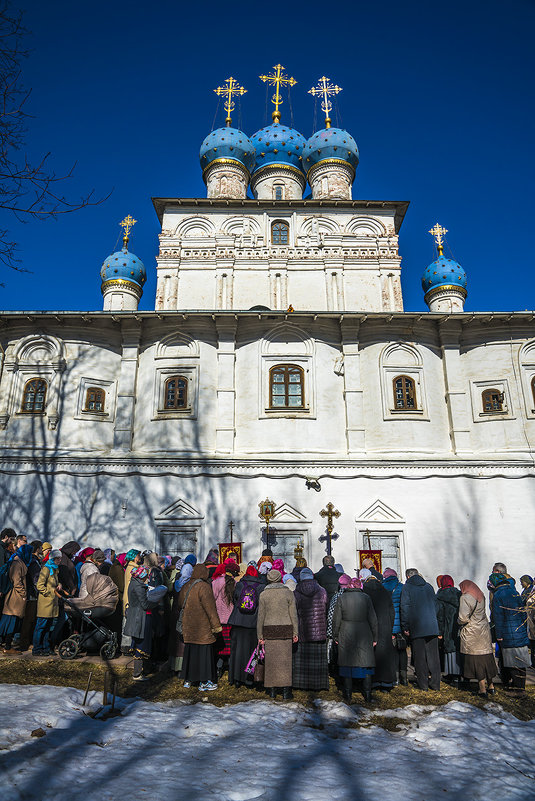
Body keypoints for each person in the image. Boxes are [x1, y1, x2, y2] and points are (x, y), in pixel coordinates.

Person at [332, 574, 378, 703]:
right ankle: (368, 695)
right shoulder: (366, 598)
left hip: (346, 631)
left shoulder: (342, 598)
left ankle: (347, 694)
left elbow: (336, 619)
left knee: (347, 663)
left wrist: (335, 635)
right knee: (366, 663)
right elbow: (373, 619)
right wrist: (375, 636)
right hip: (364, 632)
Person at [179, 563, 222, 691]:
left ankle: (188, 679)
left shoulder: (186, 586)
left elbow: (179, 604)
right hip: (202, 627)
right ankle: (205, 681)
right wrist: (216, 626)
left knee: (190, 652)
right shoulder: (204, 587)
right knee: (204, 654)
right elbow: (211, 609)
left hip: (188, 626)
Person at [257, 568, 298, 700]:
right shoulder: (288, 593)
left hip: (269, 630)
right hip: (285, 629)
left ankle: (272, 691)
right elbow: (293, 615)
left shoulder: (264, 595)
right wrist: (295, 632)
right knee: (285, 662)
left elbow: (260, 617)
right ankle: (286, 691)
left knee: (271, 662)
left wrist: (260, 636)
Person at [400, 568, 441, 691]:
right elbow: (436, 605)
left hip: (417, 626)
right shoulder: (429, 587)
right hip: (432, 625)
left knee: (419, 657)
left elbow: (405, 607)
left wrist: (405, 626)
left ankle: (423, 685)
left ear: (407, 577)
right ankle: (435, 684)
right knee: (434, 656)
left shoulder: (407, 588)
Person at [490, 572, 529, 693]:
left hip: (507, 633)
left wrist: (499, 635)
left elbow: (498, 617)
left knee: (512, 661)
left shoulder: (498, 595)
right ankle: (520, 686)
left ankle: (517, 689)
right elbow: (523, 612)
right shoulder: (514, 592)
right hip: (519, 631)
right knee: (520, 661)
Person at [458, 579, 497, 697]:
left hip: (472, 633)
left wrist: (458, 621)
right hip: (483, 631)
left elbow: (463, 618)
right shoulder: (481, 595)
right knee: (487, 658)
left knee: (477, 660)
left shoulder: (465, 598)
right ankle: (491, 686)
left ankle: (482, 689)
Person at [228, 564, 265, 688]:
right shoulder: (261, 587)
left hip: (238, 621)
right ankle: (250, 679)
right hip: (253, 623)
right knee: (251, 652)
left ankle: (236, 679)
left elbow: (235, 599)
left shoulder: (239, 584)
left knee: (237, 652)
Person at [292, 567, 329, 692]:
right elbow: (325, 607)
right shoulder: (322, 591)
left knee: (302, 658)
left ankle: (301, 683)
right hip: (319, 628)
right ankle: (319, 684)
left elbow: (294, 610)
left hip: (303, 628)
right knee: (317, 658)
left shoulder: (296, 592)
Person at [361, 568, 396, 690]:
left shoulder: (364, 591)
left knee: (371, 653)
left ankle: (373, 680)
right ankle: (387, 682)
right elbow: (392, 612)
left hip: (369, 626)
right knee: (385, 653)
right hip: (385, 626)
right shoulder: (385, 591)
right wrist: (390, 627)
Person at [123, 565, 160, 681]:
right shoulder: (139, 587)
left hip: (137, 617)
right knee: (141, 645)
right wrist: (156, 603)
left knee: (140, 643)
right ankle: (137, 674)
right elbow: (144, 605)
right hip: (141, 618)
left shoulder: (134, 583)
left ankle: (144, 669)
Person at [0, 544, 32, 652]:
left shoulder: (17, 562)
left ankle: (6, 645)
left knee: (10, 622)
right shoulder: (17, 563)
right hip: (15, 598)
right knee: (10, 623)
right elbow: (16, 581)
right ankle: (7, 647)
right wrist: (23, 594)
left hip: (15, 597)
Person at [211, 561, 239, 679]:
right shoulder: (235, 583)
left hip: (218, 619)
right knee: (230, 646)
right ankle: (231, 670)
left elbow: (212, 599)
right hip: (231, 619)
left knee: (219, 646)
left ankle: (218, 668)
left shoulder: (216, 582)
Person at [33, 549, 62, 656]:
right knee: (40, 627)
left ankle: (46, 648)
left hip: (52, 603)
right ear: (53, 559)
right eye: (58, 558)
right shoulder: (46, 569)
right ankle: (36, 649)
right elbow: (39, 585)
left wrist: (59, 585)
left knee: (48, 627)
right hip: (46, 603)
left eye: (60, 558)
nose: (60, 560)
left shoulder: (54, 570)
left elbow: (53, 583)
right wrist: (49, 592)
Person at [435, 575, 462, 685]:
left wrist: (439, 632)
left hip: (447, 626)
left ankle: (452, 675)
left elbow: (440, 616)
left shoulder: (440, 597)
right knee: (457, 648)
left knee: (449, 650)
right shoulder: (458, 594)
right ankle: (459, 675)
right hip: (458, 625)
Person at [382, 568, 407, 685]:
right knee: (402, 650)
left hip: (388, 622)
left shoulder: (382, 587)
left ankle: (394, 677)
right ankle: (404, 677)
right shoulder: (401, 587)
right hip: (400, 623)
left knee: (390, 651)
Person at [18, 540, 43, 651]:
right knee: (29, 619)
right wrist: (40, 590)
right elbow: (35, 579)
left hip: (32, 594)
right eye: (41, 547)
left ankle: (27, 642)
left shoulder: (34, 561)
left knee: (30, 619)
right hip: (32, 595)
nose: (42, 549)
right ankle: (24, 643)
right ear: (37, 549)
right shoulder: (33, 562)